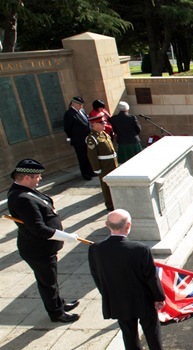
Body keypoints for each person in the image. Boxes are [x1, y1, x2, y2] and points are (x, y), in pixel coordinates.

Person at [7, 159, 81, 323]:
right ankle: (56, 313)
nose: (40, 179)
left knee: (51, 279)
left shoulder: (27, 190)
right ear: (26, 178)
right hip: (38, 249)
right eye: (37, 176)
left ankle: (59, 304)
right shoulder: (22, 198)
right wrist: (65, 236)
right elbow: (39, 229)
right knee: (48, 283)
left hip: (43, 248)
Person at [88, 209, 166, 350]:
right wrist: (159, 297)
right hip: (143, 300)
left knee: (129, 335)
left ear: (107, 225)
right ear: (128, 225)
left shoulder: (95, 249)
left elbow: (97, 276)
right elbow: (151, 278)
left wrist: (108, 295)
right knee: (152, 333)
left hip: (118, 300)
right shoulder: (140, 249)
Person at [86, 113, 119, 211]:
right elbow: (92, 156)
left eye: (104, 122)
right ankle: (110, 205)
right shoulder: (91, 138)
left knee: (114, 184)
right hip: (104, 166)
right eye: (101, 123)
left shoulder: (104, 134)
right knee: (106, 187)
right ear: (95, 124)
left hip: (112, 163)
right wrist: (97, 169)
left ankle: (116, 202)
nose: (104, 124)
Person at [63, 96, 96, 180]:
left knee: (89, 156)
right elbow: (67, 128)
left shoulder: (82, 111)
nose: (81, 106)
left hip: (87, 139)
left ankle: (91, 171)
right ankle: (85, 174)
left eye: (81, 104)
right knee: (82, 157)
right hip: (78, 140)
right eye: (79, 104)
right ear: (73, 104)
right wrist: (72, 137)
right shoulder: (69, 114)